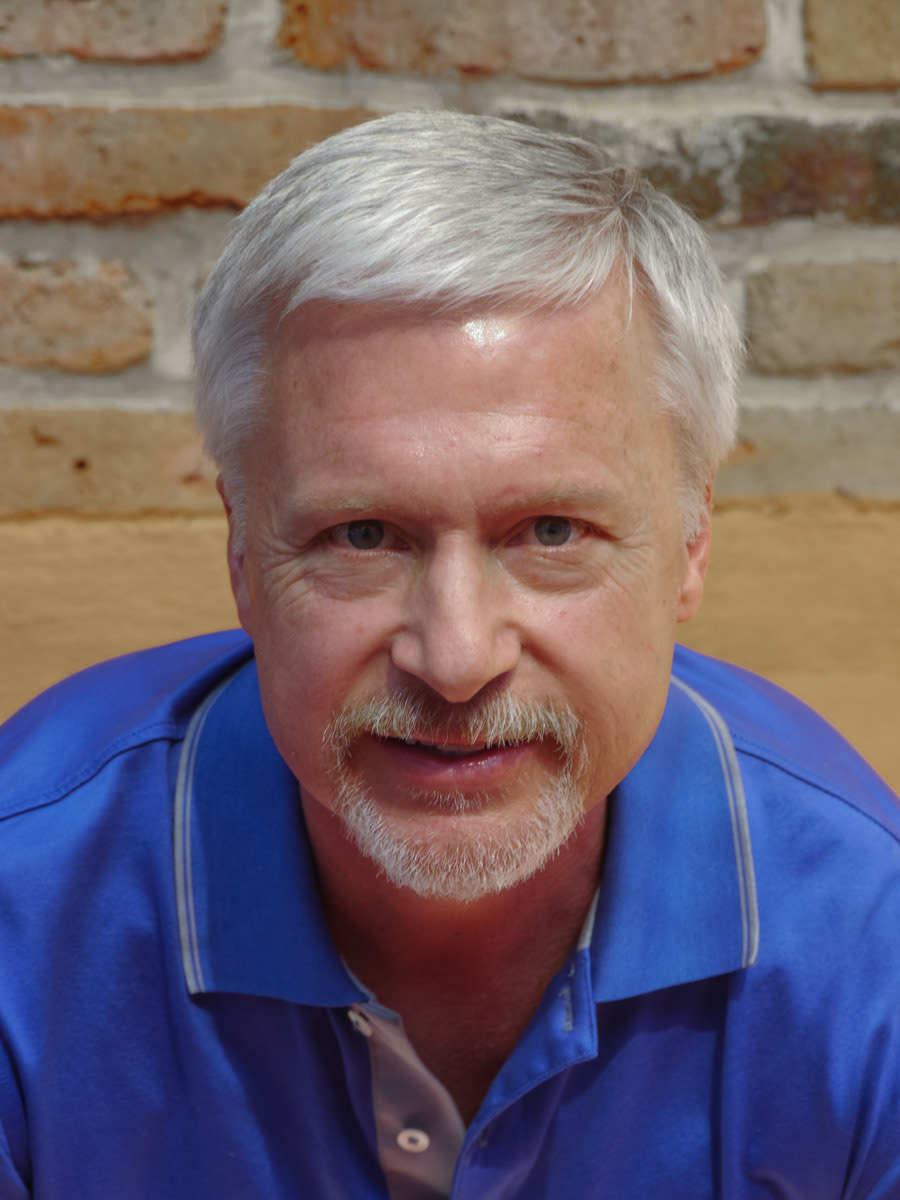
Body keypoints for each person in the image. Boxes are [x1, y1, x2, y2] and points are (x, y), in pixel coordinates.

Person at [0, 111, 898, 1200]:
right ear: (241, 549)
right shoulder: (24, 909)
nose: (457, 657)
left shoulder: (868, 940)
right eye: (362, 536)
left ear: (692, 542)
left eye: (552, 532)